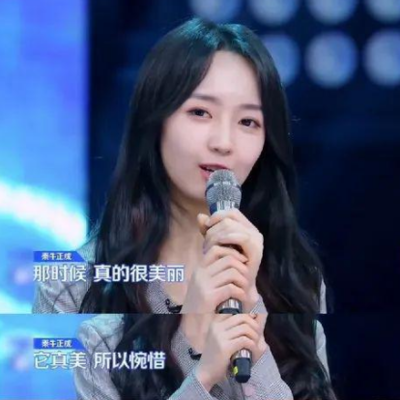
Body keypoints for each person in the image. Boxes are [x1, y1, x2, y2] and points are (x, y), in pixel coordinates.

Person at [33, 17, 337, 399]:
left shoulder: (297, 280)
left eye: (248, 121)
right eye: (200, 113)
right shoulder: (73, 287)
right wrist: (192, 344)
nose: (223, 142)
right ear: (155, 121)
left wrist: (255, 339)